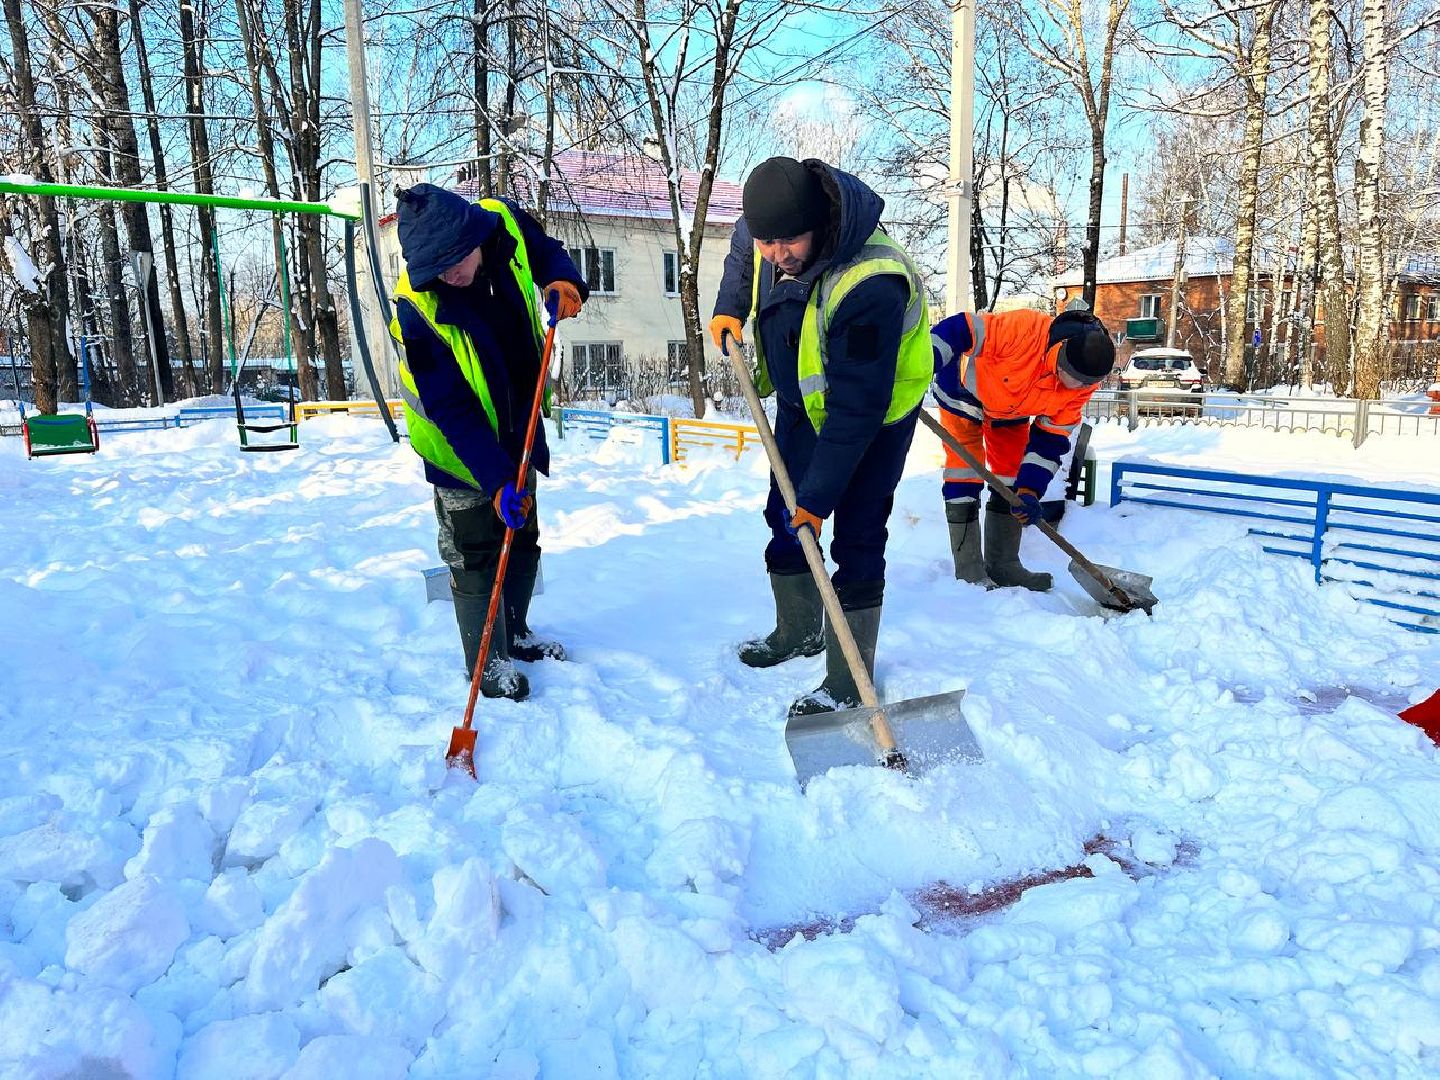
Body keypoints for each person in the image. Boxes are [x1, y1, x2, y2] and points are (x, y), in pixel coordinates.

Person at [709, 156, 932, 718]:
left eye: (789, 242)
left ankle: (847, 680)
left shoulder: (871, 281)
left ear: (821, 226)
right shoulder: (766, 234)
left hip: (873, 419)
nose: (776, 255)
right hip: (800, 404)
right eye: (768, 241)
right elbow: (743, 253)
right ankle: (798, 629)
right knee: (784, 517)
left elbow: (857, 409)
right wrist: (728, 309)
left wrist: (817, 498)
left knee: (855, 534)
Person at [390, 183, 586, 701]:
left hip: (517, 421)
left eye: (455, 264)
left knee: (521, 533)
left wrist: (562, 278)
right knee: (476, 550)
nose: (450, 278)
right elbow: (451, 407)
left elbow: (544, 251)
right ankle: (487, 660)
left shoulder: (503, 223)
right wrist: (494, 478)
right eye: (438, 272)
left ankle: (516, 634)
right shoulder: (417, 308)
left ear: (473, 237)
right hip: (457, 448)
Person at [929, 305, 1116, 590]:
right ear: (1061, 351)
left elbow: (1050, 441)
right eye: (1073, 377)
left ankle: (1004, 565)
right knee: (964, 472)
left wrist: (1030, 491)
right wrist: (923, 360)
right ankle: (969, 570)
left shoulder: (1081, 386)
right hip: (962, 391)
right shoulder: (1024, 330)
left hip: (1010, 410)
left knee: (1012, 479)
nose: (1076, 386)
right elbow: (961, 328)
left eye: (1084, 383)